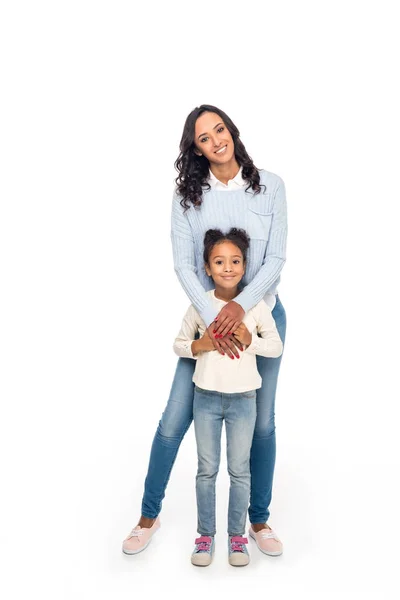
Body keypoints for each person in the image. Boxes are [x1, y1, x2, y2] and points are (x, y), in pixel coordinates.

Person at [122, 104, 287, 558]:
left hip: (261, 316)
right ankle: (147, 517)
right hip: (207, 318)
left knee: (263, 423)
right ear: (195, 149)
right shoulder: (186, 197)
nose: (216, 140)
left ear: (232, 131)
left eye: (220, 129)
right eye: (203, 137)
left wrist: (241, 307)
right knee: (175, 419)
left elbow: (274, 260)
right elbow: (182, 263)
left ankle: (256, 521)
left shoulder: (270, 186)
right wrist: (215, 315)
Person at [173, 227, 283, 566]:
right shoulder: (200, 305)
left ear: (245, 265)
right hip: (205, 399)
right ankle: (205, 537)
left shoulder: (255, 307)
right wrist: (200, 345)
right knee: (207, 470)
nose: (228, 267)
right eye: (219, 262)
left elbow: (275, 346)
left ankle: (237, 537)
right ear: (207, 268)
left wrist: (250, 340)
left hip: (244, 400)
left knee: (240, 471)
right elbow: (178, 343)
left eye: (235, 261)